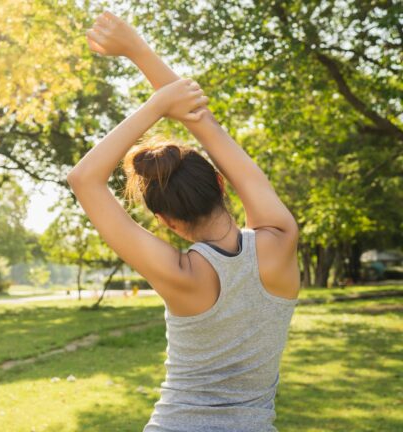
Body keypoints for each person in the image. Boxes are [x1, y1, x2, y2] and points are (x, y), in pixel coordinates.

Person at [66, 11, 301, 432]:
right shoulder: (281, 240)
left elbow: (84, 179)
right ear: (220, 182)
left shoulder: (179, 274)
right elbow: (202, 122)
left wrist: (156, 105)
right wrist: (139, 51)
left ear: (165, 222)